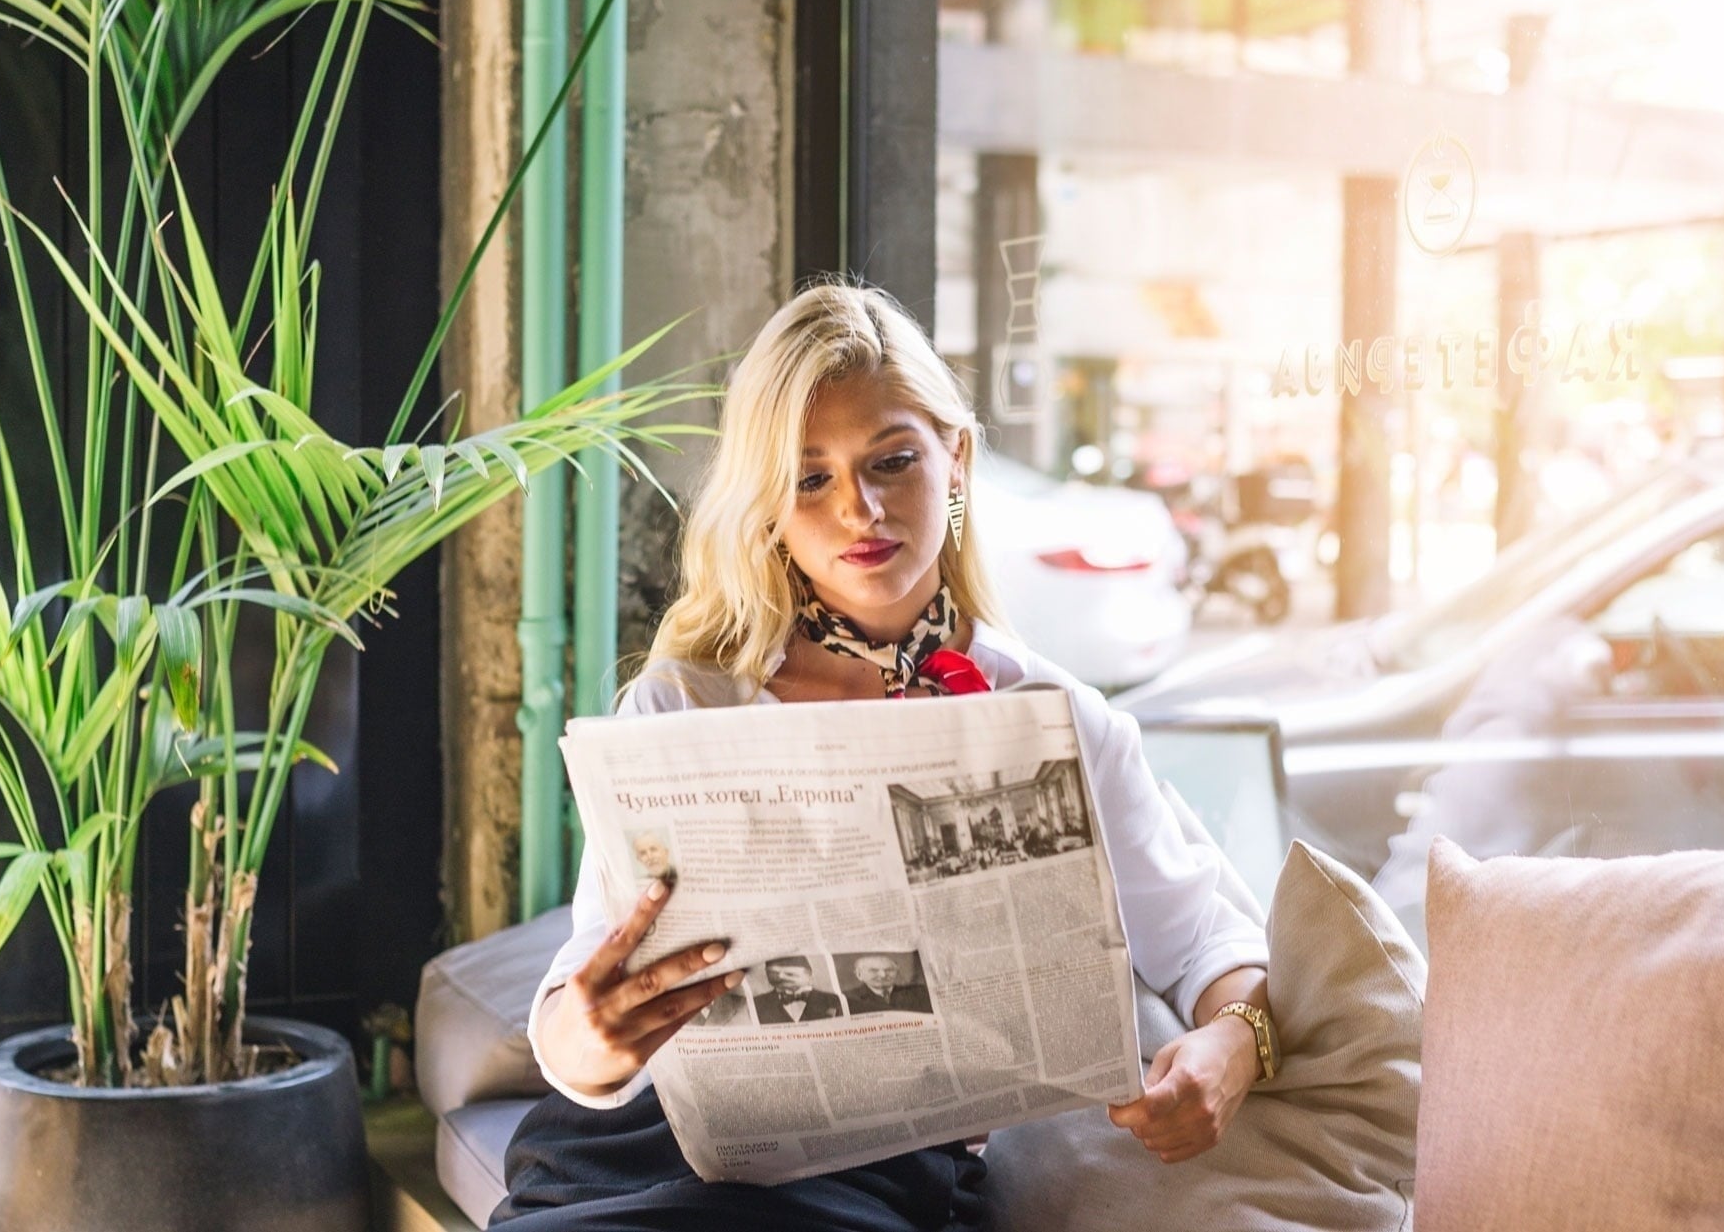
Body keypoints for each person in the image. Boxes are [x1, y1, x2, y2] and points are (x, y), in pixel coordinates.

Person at [495, 283, 1274, 1231]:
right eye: (810, 477)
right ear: (769, 508)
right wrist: (588, 1039)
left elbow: (1206, 941)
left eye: (891, 460)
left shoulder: (1053, 715)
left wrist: (1233, 1045)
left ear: (957, 459)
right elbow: (585, 982)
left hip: (879, 1177)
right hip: (645, 1147)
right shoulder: (680, 703)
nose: (859, 508)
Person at [750, 956, 844, 1023]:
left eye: (790, 974)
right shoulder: (754, 1004)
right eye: (773, 974)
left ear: (809, 976)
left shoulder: (837, 1001)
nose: (780, 978)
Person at [843, 954, 932, 1016]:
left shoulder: (920, 993)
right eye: (874, 970)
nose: (883, 975)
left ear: (897, 972)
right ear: (859, 974)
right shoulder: (846, 998)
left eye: (889, 970)